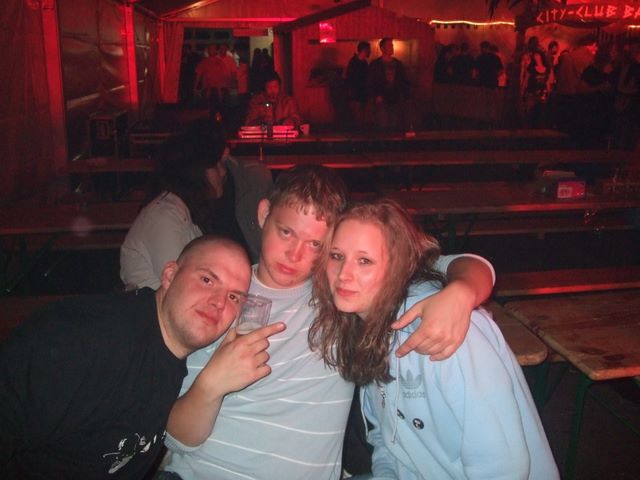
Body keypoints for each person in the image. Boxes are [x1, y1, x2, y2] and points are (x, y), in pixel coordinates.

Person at [162, 165, 496, 479]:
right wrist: (211, 385)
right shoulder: (222, 296)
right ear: (264, 214)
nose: (295, 255)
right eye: (286, 232)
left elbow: (455, 265)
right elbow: (176, 440)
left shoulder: (343, 295)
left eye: (315, 245)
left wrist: (463, 292)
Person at [310, 198, 560, 479]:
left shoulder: (444, 334)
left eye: (364, 261)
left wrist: (464, 289)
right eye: (336, 256)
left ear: (398, 268)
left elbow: (501, 470)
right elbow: (387, 441)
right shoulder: (366, 328)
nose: (344, 274)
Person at [0, 235, 284, 478]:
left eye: (234, 297)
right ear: (170, 275)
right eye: (207, 279)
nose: (219, 302)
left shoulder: (175, 355)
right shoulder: (86, 337)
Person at [120, 122, 271, 290]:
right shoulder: (165, 216)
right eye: (216, 166)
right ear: (196, 172)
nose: (223, 172)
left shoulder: (185, 211)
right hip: (153, 306)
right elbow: (183, 288)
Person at [368, 37, 411, 130]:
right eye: (389, 46)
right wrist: (376, 95)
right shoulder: (375, 64)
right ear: (382, 48)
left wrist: (405, 96)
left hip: (395, 97)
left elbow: (403, 81)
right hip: (382, 98)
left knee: (394, 124)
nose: (392, 48)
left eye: (392, 45)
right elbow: (371, 81)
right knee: (383, 124)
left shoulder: (398, 64)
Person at [345, 41, 371, 128]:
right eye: (368, 50)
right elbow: (350, 80)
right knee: (358, 117)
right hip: (356, 94)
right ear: (363, 50)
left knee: (361, 118)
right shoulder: (355, 63)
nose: (370, 52)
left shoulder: (362, 62)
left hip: (362, 94)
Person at [194, 44, 224, 115]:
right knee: (207, 110)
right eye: (210, 49)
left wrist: (222, 90)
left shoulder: (220, 62)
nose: (212, 50)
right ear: (208, 50)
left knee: (218, 110)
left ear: (216, 51)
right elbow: (198, 75)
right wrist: (195, 87)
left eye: (213, 49)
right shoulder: (203, 62)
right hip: (206, 89)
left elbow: (223, 76)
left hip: (217, 89)